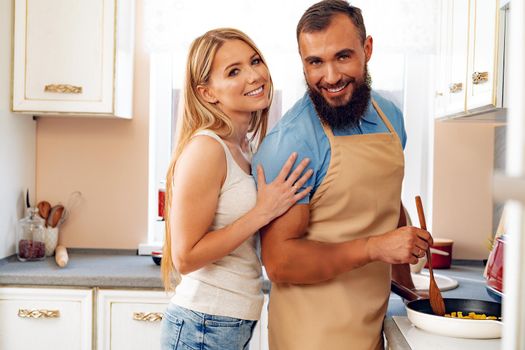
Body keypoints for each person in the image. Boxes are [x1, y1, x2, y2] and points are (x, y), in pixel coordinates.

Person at [251, 1, 433, 349]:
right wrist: (376, 247)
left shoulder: (390, 116)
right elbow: (280, 262)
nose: (330, 77)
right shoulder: (292, 141)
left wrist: (409, 289)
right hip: (311, 334)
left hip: (370, 327)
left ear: (367, 49)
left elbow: (384, 202)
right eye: (315, 62)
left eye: (343, 56)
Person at [160, 28, 313, 350]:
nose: (255, 75)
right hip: (203, 322)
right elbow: (184, 258)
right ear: (207, 93)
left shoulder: (244, 147)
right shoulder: (207, 149)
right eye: (233, 71)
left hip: (228, 321)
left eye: (254, 61)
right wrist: (262, 212)